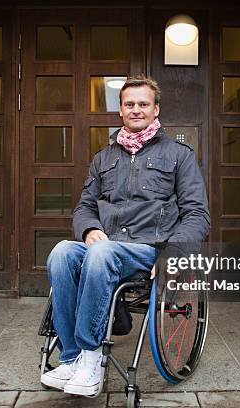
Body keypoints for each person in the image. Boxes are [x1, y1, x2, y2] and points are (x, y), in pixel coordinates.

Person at [40, 75, 210, 397]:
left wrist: (173, 253)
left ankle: (91, 361)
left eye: (143, 104)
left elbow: (197, 214)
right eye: (129, 104)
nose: (136, 110)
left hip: (149, 250)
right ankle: (71, 357)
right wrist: (90, 229)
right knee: (62, 251)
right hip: (104, 246)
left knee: (101, 254)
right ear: (120, 110)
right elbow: (84, 207)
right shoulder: (103, 158)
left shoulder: (179, 155)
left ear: (155, 109)